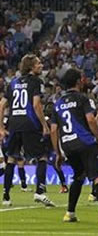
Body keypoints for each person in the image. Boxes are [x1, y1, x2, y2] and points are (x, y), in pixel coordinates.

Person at [50, 68, 98, 224]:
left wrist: (58, 153)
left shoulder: (58, 103)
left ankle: (70, 213)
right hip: (85, 142)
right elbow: (91, 120)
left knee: (78, 176)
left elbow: (54, 130)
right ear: (78, 81)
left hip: (67, 145)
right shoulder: (82, 99)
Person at [0, 54, 54, 207]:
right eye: (38, 63)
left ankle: (6, 197)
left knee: (11, 158)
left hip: (14, 124)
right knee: (42, 156)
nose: (41, 65)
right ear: (31, 66)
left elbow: (1, 105)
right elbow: (36, 105)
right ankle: (40, 192)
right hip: (30, 123)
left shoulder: (13, 82)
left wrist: (1, 128)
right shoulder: (36, 81)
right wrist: (44, 125)